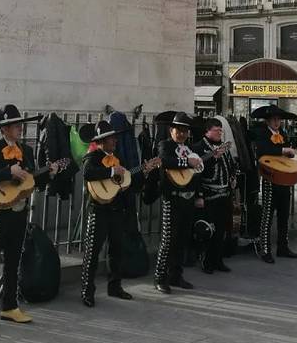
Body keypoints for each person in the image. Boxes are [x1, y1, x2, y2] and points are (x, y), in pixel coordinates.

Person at [0, 104, 57, 335]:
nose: (20, 128)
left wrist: (49, 174)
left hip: (19, 213)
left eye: (20, 124)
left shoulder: (27, 151)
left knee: (13, 262)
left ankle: (10, 306)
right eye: (15, 125)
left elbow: (31, 182)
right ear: (4, 129)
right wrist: (8, 172)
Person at [80, 120, 157, 307]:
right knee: (92, 252)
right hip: (98, 211)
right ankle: (87, 291)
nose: (115, 140)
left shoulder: (118, 157)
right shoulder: (93, 156)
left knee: (117, 251)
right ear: (101, 141)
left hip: (116, 211)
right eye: (111, 138)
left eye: (115, 137)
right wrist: (111, 171)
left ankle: (115, 287)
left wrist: (144, 172)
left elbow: (128, 181)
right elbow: (88, 173)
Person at [154, 112, 203, 294]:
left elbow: (196, 173)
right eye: (179, 130)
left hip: (188, 199)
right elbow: (165, 161)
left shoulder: (190, 149)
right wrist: (187, 162)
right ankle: (160, 277)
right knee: (168, 239)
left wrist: (198, 195)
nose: (182, 134)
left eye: (185, 131)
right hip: (172, 198)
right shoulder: (165, 145)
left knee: (182, 239)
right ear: (171, 130)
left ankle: (176, 275)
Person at [249, 105, 297, 263]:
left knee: (284, 215)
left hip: (284, 178)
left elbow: (288, 152)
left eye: (279, 120)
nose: (277, 122)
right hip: (270, 179)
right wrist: (282, 151)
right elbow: (262, 150)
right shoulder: (262, 133)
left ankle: (283, 247)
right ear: (268, 121)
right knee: (267, 215)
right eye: (274, 120)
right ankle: (265, 249)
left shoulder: (282, 133)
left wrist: (294, 152)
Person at [193, 118, 236, 274]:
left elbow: (231, 165)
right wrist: (199, 196)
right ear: (207, 131)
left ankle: (218, 260)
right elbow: (197, 173)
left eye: (220, 130)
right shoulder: (199, 148)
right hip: (209, 195)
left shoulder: (223, 146)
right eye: (216, 130)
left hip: (225, 194)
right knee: (208, 229)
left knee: (221, 229)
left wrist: (233, 177)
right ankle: (206, 261)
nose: (220, 133)